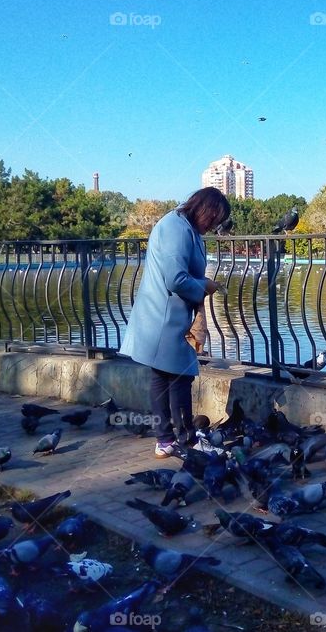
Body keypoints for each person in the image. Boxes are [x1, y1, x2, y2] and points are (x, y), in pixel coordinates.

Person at [119, 187, 230, 457]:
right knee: (180, 377)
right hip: (164, 318)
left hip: (164, 316)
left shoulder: (183, 226)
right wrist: (205, 286)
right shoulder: (177, 228)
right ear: (206, 210)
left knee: (163, 377)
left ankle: (165, 440)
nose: (215, 226)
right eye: (215, 219)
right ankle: (185, 441)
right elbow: (176, 279)